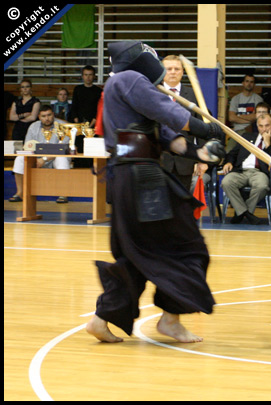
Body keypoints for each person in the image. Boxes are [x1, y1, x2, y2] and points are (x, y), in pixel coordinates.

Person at [85, 40, 226, 344]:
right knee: (186, 244)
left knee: (137, 253)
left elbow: (169, 138)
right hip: (142, 178)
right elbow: (173, 116)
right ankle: (171, 320)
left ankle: (102, 318)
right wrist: (205, 127)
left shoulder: (121, 87)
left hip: (130, 176)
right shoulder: (129, 80)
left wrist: (203, 153)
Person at [159, 54, 211, 189]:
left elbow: (203, 130)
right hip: (159, 160)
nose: (172, 72)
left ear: (183, 71)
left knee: (182, 206)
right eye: (168, 69)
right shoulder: (153, 93)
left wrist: (202, 160)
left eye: (176, 69)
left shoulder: (194, 95)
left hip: (185, 162)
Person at [221, 114, 271, 225]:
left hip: (259, 172)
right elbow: (232, 153)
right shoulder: (246, 137)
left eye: (267, 125)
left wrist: (268, 144)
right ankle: (247, 214)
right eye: (261, 126)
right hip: (241, 171)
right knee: (226, 182)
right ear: (257, 126)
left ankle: (241, 212)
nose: (264, 129)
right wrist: (229, 162)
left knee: (262, 186)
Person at [9, 105, 70, 203]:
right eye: (43, 116)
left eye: (49, 115)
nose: (47, 118)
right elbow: (28, 146)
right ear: (39, 117)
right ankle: (20, 193)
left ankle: (63, 194)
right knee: (20, 158)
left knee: (62, 158)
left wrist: (44, 159)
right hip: (36, 158)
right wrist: (34, 159)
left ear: (53, 114)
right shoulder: (33, 126)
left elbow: (63, 149)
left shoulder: (63, 126)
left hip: (55, 158)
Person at [70, 65, 103, 167]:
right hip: (79, 126)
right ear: (82, 76)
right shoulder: (77, 89)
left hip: (93, 126)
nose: (88, 77)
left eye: (90, 75)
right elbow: (74, 106)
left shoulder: (98, 91)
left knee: (91, 151)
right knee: (79, 150)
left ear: (94, 76)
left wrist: (91, 125)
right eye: (86, 75)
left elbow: (98, 110)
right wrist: (78, 124)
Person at [227, 74, 263, 150]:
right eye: (247, 81)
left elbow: (257, 117)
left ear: (254, 84)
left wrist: (239, 116)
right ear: (243, 83)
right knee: (228, 151)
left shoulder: (258, 99)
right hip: (237, 132)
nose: (249, 84)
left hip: (251, 130)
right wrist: (250, 118)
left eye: (251, 82)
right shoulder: (235, 99)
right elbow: (231, 118)